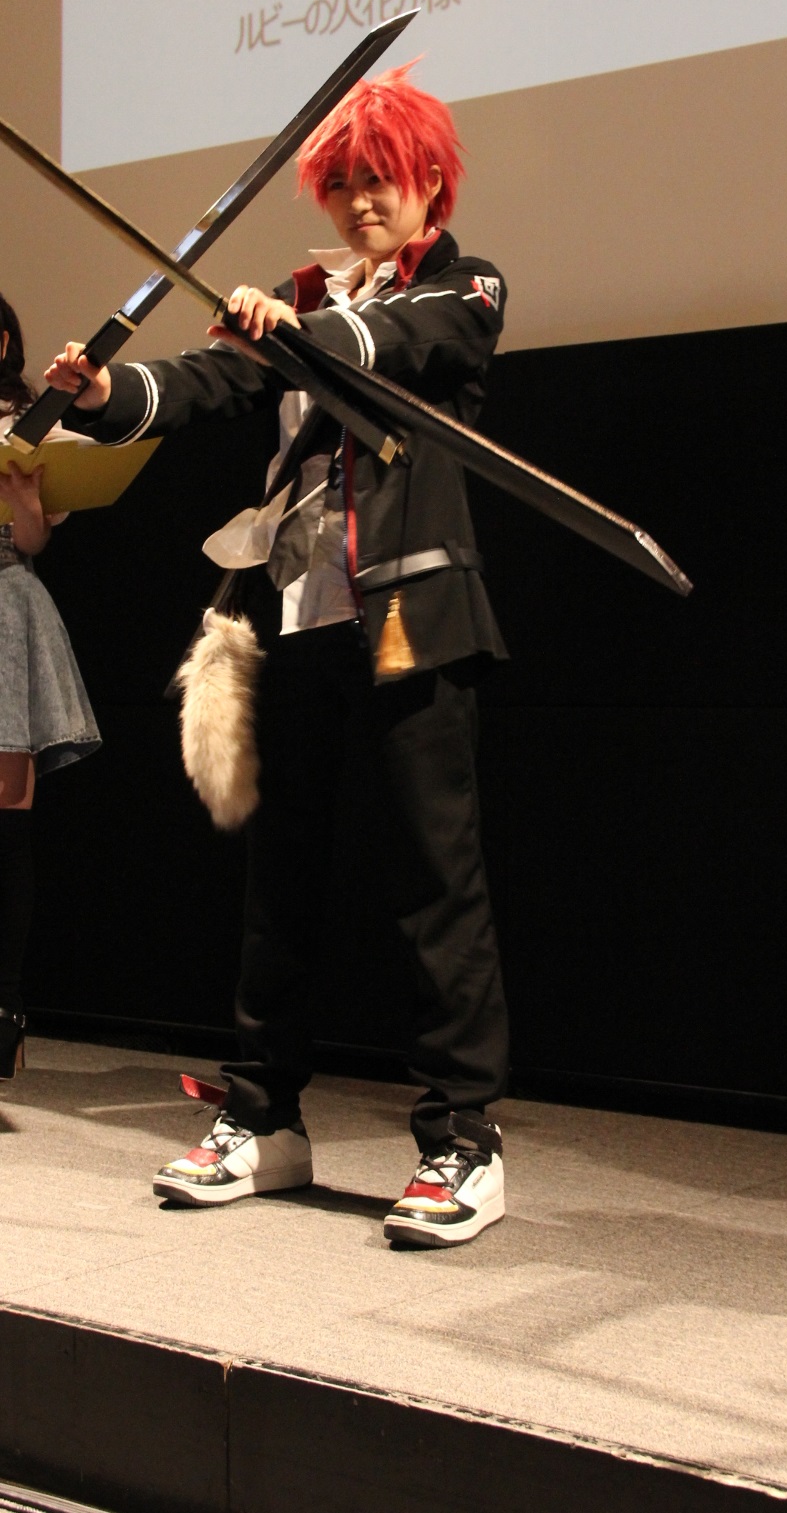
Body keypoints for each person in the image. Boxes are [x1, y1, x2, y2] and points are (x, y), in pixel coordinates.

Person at [47, 67, 510, 1245]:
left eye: (382, 179)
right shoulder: (297, 302)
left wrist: (301, 330)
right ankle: (265, 1118)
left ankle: (463, 1138)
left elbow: (392, 341)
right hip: (296, 618)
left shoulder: (464, 287)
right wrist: (104, 393)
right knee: (279, 882)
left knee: (435, 883)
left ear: (430, 182)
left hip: (413, 619)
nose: (362, 201)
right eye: (343, 183)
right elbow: (204, 382)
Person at [0, 293, 101, 1080]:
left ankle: (3, 1012)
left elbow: (32, 540)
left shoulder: (30, 422)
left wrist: (26, 501)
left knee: (6, 820)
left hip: (5, 607)